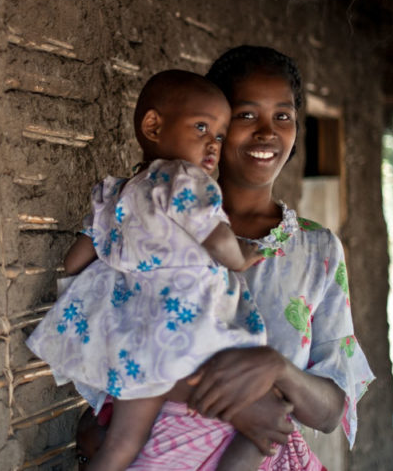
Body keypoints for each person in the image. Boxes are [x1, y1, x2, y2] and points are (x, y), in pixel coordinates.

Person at [124, 45, 375, 470]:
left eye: (283, 116)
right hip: (162, 452)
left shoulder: (317, 250)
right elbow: (109, 337)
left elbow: (331, 411)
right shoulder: (158, 219)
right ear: (217, 126)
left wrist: (276, 368)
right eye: (246, 115)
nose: (267, 132)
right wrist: (238, 409)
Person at [27, 69, 269, 471]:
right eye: (202, 127)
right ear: (153, 125)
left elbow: (76, 258)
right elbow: (217, 237)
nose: (213, 143)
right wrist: (240, 258)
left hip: (136, 341)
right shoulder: (183, 179)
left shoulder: (120, 192)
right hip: (187, 333)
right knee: (257, 408)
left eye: (220, 135)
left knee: (120, 447)